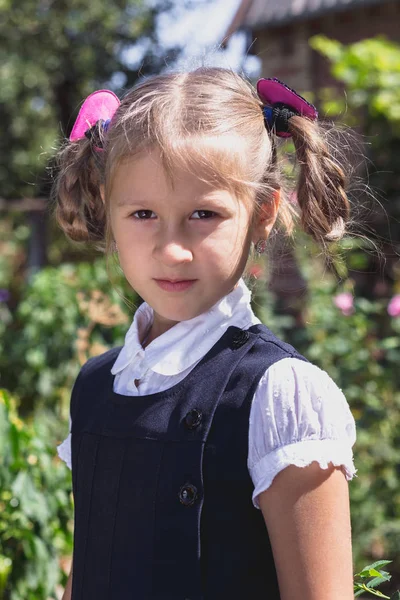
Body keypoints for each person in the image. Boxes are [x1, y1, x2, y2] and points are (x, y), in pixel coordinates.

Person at [54, 68, 357, 600]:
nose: (173, 249)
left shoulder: (279, 394)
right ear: (108, 209)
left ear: (262, 213)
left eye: (204, 214)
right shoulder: (97, 386)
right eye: (143, 213)